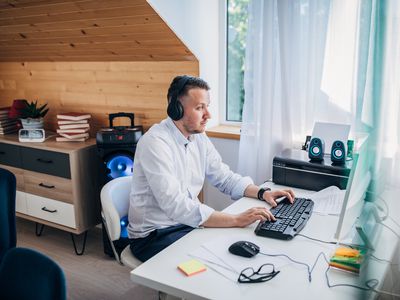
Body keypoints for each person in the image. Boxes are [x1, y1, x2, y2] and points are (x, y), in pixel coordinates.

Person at [128, 75, 295, 262]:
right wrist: (236, 220)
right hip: (154, 235)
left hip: (184, 223)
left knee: (234, 247)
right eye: (200, 108)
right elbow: (175, 204)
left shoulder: (197, 136)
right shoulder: (155, 143)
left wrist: (263, 193)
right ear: (176, 109)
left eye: (207, 106)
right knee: (215, 259)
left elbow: (223, 177)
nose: (208, 115)